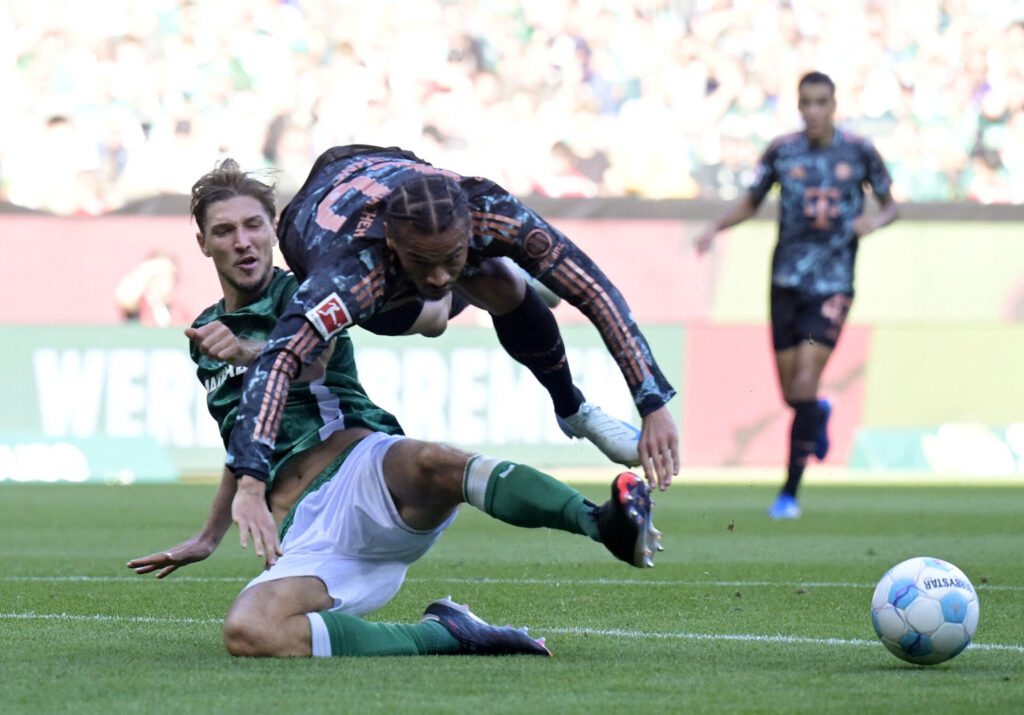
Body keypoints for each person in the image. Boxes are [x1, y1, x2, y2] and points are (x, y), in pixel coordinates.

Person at [127, 160, 663, 659]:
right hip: (308, 538)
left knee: (436, 460)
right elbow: (243, 435)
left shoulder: (312, 287)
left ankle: (602, 522)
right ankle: (446, 634)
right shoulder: (206, 331)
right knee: (250, 632)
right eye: (225, 231)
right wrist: (209, 535)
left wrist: (248, 353)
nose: (243, 242)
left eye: (253, 226)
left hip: (363, 472)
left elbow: (313, 360)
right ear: (202, 243)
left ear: (273, 228)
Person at [225, 144, 679, 545]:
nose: (440, 275)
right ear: (394, 243)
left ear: (469, 229)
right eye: (423, 261)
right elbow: (278, 362)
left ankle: (573, 410)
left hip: (387, 163)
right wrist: (249, 483)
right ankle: (496, 281)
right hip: (321, 224)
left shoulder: (489, 208)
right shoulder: (349, 274)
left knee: (495, 281)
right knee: (435, 317)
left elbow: (593, 290)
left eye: (452, 258)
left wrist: (652, 401)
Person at [695, 72, 898, 519]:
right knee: (792, 395)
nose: (813, 111)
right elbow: (751, 202)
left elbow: (891, 205)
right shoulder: (782, 152)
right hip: (785, 282)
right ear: (798, 105)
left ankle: (789, 493)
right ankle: (817, 412)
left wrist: (873, 224)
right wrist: (715, 227)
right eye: (806, 102)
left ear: (834, 104)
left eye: (821, 102)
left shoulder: (860, 152)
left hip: (832, 286)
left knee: (806, 378)